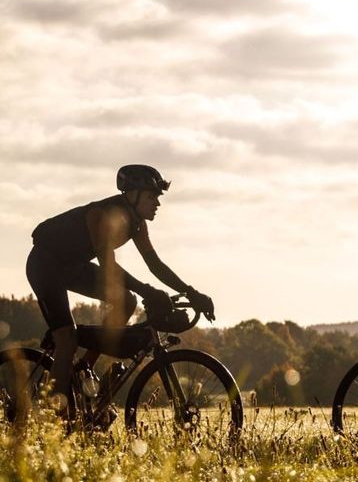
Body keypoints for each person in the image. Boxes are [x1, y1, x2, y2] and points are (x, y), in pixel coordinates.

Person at [24, 165, 215, 418]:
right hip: (45, 264)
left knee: (126, 300)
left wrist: (192, 292)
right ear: (131, 194)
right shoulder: (102, 215)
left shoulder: (136, 225)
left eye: (158, 197)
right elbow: (109, 266)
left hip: (73, 266)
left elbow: (155, 265)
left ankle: (84, 368)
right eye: (151, 196)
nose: (157, 203)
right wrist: (148, 290)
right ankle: (56, 421)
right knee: (67, 340)